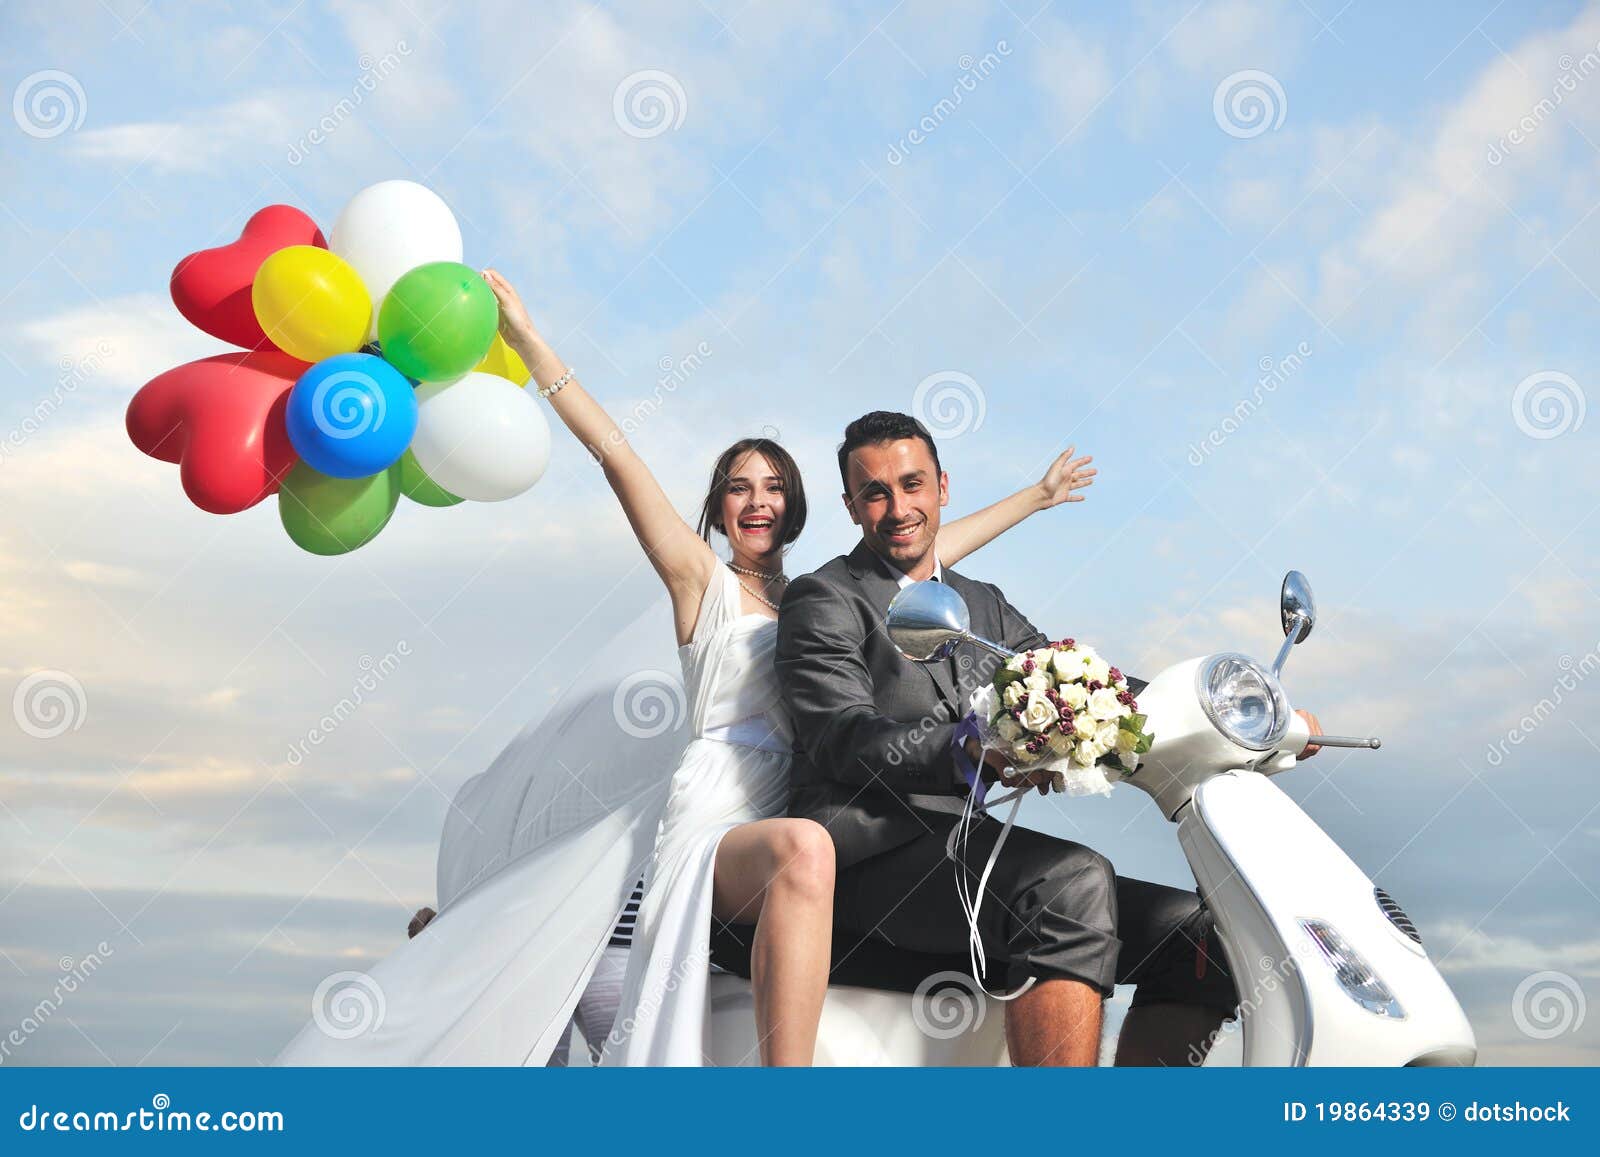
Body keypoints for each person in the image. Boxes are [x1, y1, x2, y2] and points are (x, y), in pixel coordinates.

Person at [274, 276, 1100, 1067]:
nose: (758, 501)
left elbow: (930, 550)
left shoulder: (826, 596)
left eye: (774, 485)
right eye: (738, 487)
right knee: (789, 867)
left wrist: (1034, 496)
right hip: (717, 816)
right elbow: (614, 455)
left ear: (803, 503)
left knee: (808, 853)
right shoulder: (698, 583)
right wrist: (530, 346)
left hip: (795, 804)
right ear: (718, 503)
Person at [776, 411, 1326, 1066]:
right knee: (1072, 881)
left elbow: (1084, 684)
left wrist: (1250, 712)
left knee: (1203, 937)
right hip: (868, 861)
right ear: (851, 506)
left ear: (943, 487)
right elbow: (842, 735)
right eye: (876, 492)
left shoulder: (981, 602)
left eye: (913, 483)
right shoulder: (825, 597)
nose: (899, 506)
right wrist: (964, 747)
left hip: (963, 852)